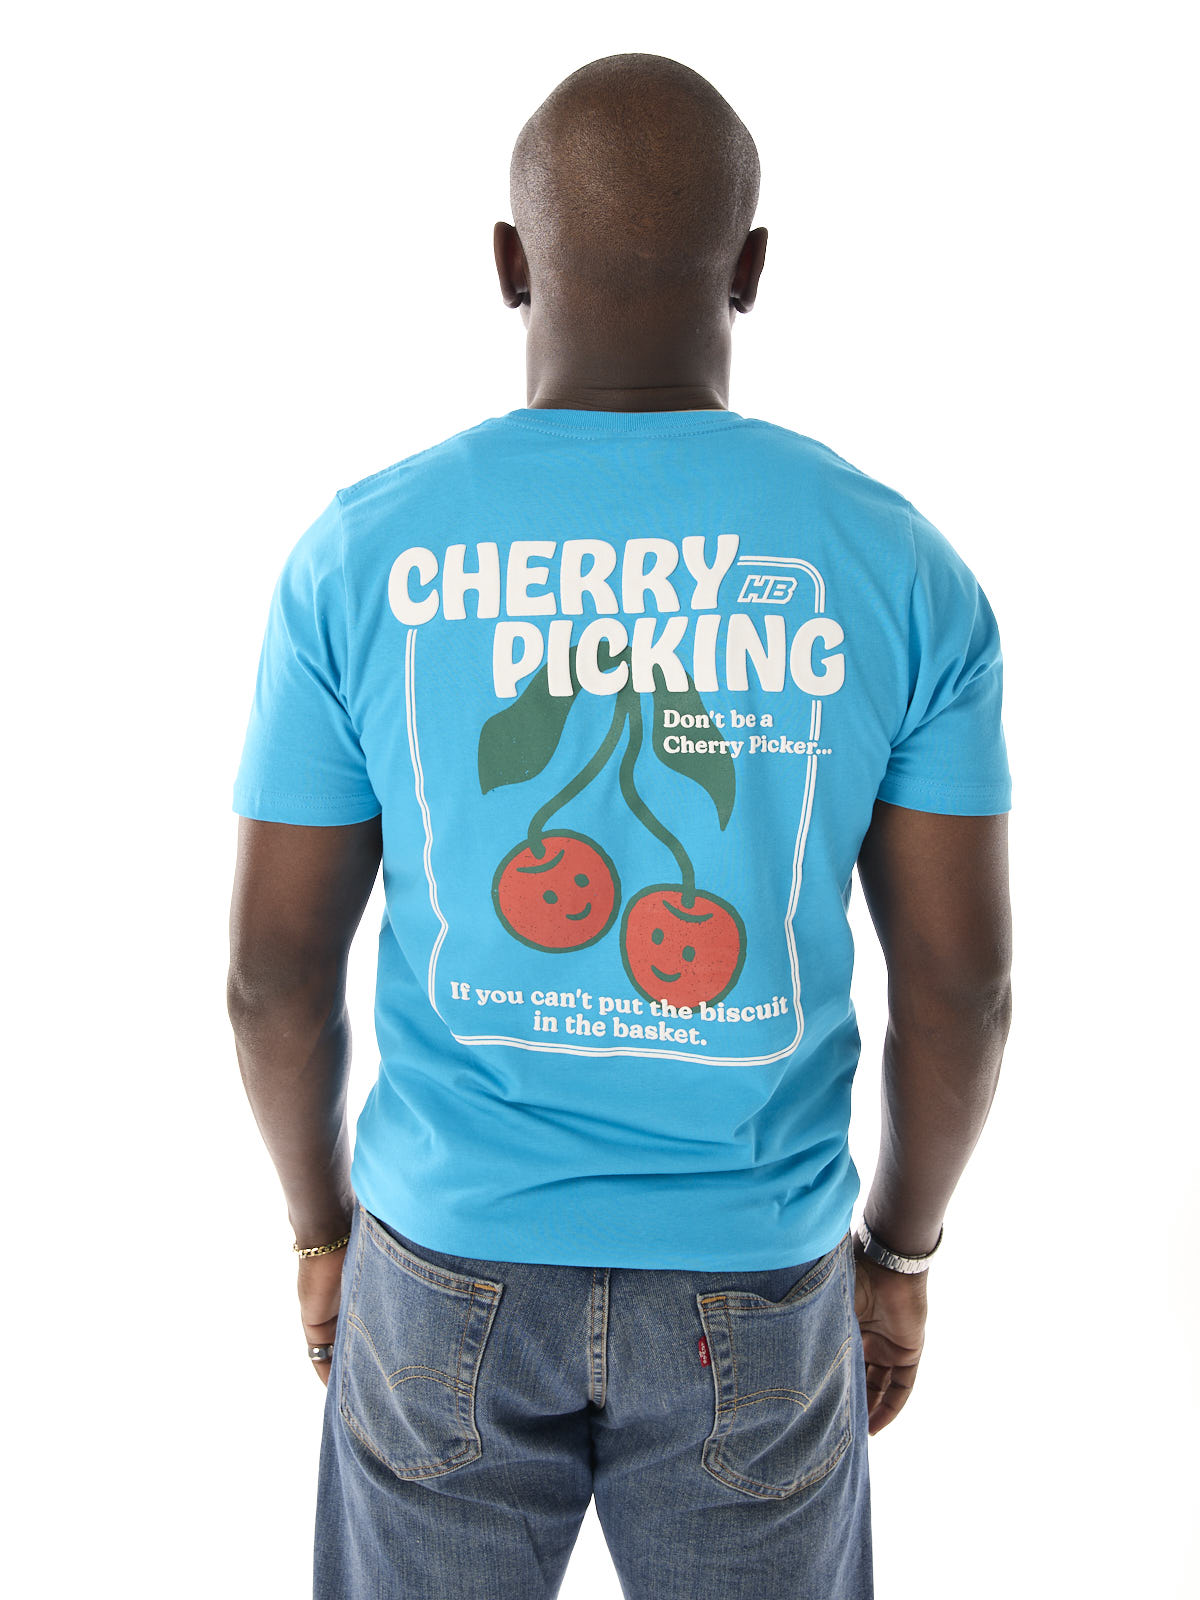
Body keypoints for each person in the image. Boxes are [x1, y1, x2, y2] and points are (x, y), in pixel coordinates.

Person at [227, 51, 1013, 1600]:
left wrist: (325, 1235)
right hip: (757, 1282)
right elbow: (961, 988)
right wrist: (899, 1255)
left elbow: (271, 975)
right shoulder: (899, 567)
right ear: (752, 266)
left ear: (508, 262)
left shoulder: (362, 555)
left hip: (441, 1264)